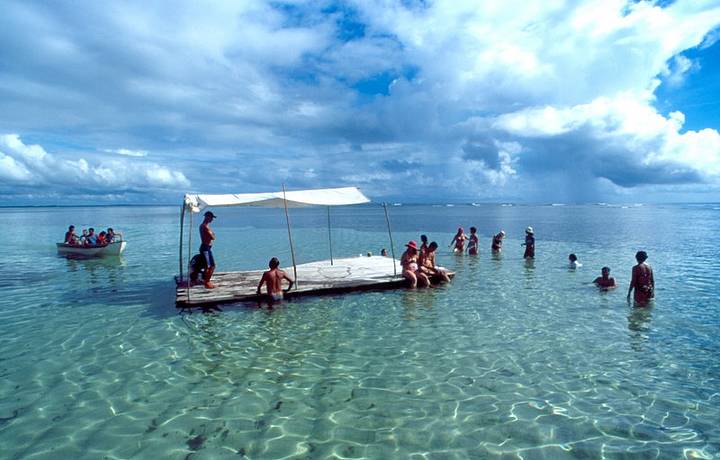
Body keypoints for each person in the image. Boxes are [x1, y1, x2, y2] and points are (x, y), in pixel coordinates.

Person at [199, 211, 217, 289]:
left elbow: (212, 236)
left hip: (206, 248)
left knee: (209, 265)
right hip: (205, 248)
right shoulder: (205, 226)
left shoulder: (204, 226)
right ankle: (207, 282)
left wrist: (212, 234)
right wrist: (212, 234)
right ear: (207, 217)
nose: (212, 219)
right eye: (211, 218)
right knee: (210, 266)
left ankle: (206, 280)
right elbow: (213, 237)